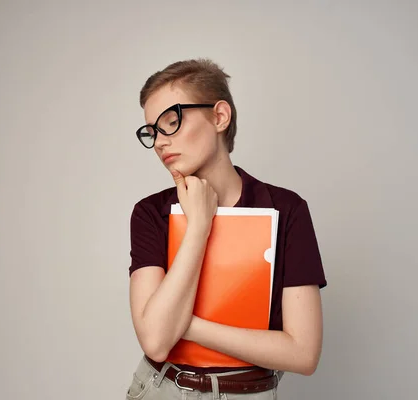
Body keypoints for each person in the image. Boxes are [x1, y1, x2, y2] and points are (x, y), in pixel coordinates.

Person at [126, 58, 327, 400]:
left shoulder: (286, 210)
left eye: (172, 122)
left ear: (220, 117)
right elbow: (157, 344)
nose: (160, 142)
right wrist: (199, 226)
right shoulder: (150, 213)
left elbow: (303, 354)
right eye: (153, 131)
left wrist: (181, 324)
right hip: (163, 390)